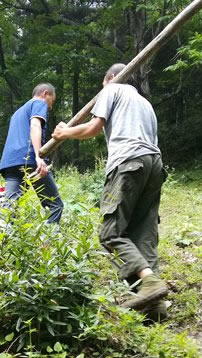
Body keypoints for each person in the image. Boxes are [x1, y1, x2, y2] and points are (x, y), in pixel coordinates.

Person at [52, 64, 168, 320]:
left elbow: (93, 128)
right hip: (155, 165)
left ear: (111, 78)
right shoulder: (145, 104)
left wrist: (64, 132)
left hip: (128, 163)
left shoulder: (112, 89)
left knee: (110, 233)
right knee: (143, 234)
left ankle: (149, 282)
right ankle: (154, 307)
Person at [0, 83, 63, 224]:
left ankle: (4, 243)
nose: (50, 107)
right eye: (51, 101)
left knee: (10, 208)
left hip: (10, 163)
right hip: (29, 160)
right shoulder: (39, 103)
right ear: (45, 94)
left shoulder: (17, 113)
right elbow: (35, 125)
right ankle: (46, 242)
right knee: (55, 205)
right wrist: (38, 157)